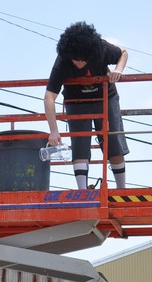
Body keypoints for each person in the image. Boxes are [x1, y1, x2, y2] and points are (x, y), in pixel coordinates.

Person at [44, 22, 129, 190]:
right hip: (76, 101)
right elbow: (49, 97)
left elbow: (123, 53)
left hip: (105, 96)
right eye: (76, 60)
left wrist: (118, 70)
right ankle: (82, 192)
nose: (80, 64)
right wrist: (53, 130)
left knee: (113, 141)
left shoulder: (102, 49)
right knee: (80, 142)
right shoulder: (63, 61)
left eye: (83, 60)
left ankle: (122, 190)